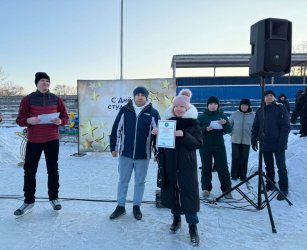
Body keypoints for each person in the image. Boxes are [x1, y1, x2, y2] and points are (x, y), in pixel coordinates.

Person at [14, 72, 69, 216]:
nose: (45, 83)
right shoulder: (28, 99)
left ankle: (54, 198)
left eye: (47, 81)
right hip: (34, 140)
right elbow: (19, 119)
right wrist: (28, 121)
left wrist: (60, 121)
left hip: (52, 139)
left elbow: (65, 117)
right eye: (42, 81)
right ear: (36, 83)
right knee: (30, 171)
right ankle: (29, 201)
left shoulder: (56, 99)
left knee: (53, 169)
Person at [158, 89, 202, 246]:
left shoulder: (193, 124)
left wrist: (183, 135)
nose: (178, 109)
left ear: (187, 109)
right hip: (170, 165)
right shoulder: (167, 123)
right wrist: (157, 135)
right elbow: (162, 147)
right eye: (176, 106)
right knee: (173, 192)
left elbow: (197, 143)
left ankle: (193, 227)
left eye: (182, 107)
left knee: (189, 195)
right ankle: (176, 220)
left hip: (186, 167)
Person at [109, 86, 160, 220]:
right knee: (123, 181)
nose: (140, 96)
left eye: (142, 94)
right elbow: (116, 129)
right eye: (137, 94)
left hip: (143, 155)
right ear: (134, 96)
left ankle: (136, 206)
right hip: (125, 153)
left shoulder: (153, 113)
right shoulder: (125, 110)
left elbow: (160, 135)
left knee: (140, 182)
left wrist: (158, 151)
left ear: (146, 97)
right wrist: (113, 147)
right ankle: (120, 206)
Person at [251, 90, 290, 200]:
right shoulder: (260, 111)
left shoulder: (280, 108)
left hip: (278, 144)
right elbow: (255, 127)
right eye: (267, 96)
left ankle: (283, 189)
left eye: (271, 96)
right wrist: (253, 140)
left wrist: (282, 142)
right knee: (269, 166)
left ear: (274, 97)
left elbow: (285, 126)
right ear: (264, 98)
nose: (269, 97)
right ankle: (270, 185)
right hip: (265, 143)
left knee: (281, 167)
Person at [198, 96, 233, 199]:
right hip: (204, 146)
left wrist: (225, 123)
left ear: (218, 106)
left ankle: (226, 189)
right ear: (207, 105)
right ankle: (206, 189)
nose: (213, 106)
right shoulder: (201, 117)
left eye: (215, 104)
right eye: (211, 104)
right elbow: (196, 130)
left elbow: (229, 130)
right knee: (206, 168)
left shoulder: (222, 116)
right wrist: (205, 129)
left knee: (223, 168)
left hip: (219, 146)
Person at [229, 99, 255, 180]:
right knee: (235, 157)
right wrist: (232, 133)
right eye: (242, 105)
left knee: (244, 158)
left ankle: (243, 175)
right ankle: (234, 174)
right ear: (240, 106)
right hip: (235, 140)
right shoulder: (234, 114)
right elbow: (229, 125)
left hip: (247, 140)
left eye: (246, 105)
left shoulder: (253, 115)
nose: (244, 106)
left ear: (249, 106)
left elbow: (255, 127)